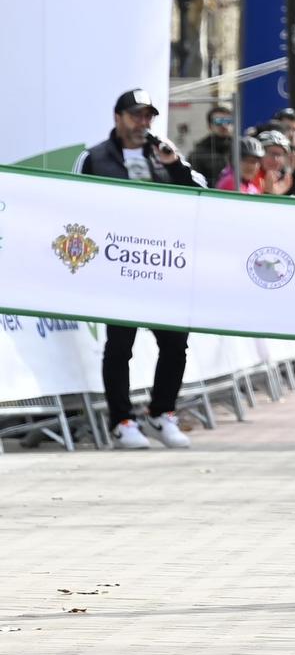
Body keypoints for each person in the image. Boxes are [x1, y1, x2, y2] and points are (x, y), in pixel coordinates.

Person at [74, 89, 204, 450]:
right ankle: (121, 421)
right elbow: (74, 205)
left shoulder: (163, 154)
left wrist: (175, 164)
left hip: (161, 264)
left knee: (175, 343)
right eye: (136, 115)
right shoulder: (94, 157)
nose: (143, 123)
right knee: (119, 347)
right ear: (118, 117)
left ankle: (162, 413)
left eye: (148, 116)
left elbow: (202, 192)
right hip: (117, 267)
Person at [188, 105, 235, 187]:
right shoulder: (198, 154)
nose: (224, 125)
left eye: (228, 121)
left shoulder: (240, 149)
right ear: (209, 126)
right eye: (218, 121)